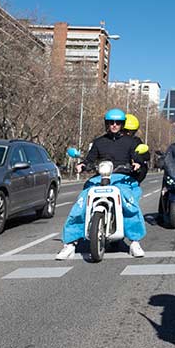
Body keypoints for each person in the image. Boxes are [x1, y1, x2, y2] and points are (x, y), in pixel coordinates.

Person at [57, 107, 148, 259]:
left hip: (122, 178)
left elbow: (137, 157)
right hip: (100, 178)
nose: (114, 125)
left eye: (118, 123)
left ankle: (134, 242)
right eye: (111, 122)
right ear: (106, 124)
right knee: (81, 202)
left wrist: (137, 164)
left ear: (122, 124)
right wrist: (83, 164)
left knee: (129, 202)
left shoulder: (130, 142)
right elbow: (90, 159)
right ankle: (70, 244)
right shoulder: (99, 142)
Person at [123, 114, 152, 184]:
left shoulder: (136, 141)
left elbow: (147, 156)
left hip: (129, 174)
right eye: (125, 131)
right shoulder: (111, 140)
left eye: (131, 132)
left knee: (134, 190)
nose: (128, 133)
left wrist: (137, 159)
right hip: (111, 172)